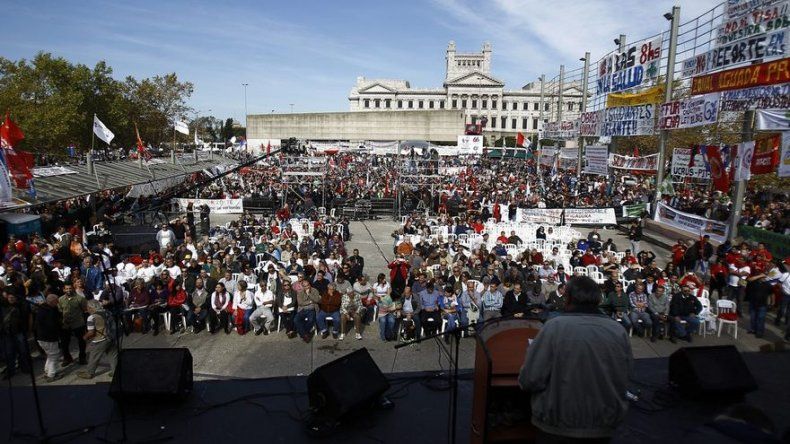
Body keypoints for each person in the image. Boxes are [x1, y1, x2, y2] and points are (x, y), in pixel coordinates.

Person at [519, 276, 633, 443]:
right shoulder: (618, 330)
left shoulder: (554, 327)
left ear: (568, 298)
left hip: (557, 427)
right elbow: (625, 377)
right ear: (599, 299)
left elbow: (530, 379)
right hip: (603, 425)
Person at [77, 300, 118, 379]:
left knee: (93, 357)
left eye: (87, 307)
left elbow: (91, 332)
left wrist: (85, 337)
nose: (87, 309)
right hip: (111, 337)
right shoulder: (107, 312)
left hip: (100, 340)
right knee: (113, 356)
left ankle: (89, 373)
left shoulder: (91, 317)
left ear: (91, 307)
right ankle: (115, 372)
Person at [58, 283, 87, 365]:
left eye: (70, 288)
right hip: (66, 325)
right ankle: (67, 358)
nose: (68, 290)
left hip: (78, 324)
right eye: (66, 289)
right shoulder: (61, 299)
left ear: (73, 289)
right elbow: (60, 311)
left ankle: (82, 357)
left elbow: (85, 310)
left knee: (81, 341)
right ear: (63, 290)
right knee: (64, 343)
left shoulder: (80, 299)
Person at [35, 294, 63, 382]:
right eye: (56, 301)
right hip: (49, 337)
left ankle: (47, 371)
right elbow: (52, 325)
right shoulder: (48, 311)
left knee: (50, 355)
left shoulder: (42, 309)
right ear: (52, 302)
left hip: (41, 337)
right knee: (54, 355)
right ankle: (51, 374)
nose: (58, 303)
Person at [745, 272, 773, 339]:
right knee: (753, 318)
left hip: (763, 305)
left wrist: (772, 303)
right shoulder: (754, 283)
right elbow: (748, 280)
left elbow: (771, 294)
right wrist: (760, 275)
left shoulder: (768, 284)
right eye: (762, 277)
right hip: (753, 303)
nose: (764, 278)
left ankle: (759, 332)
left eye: (764, 277)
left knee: (761, 319)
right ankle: (753, 329)